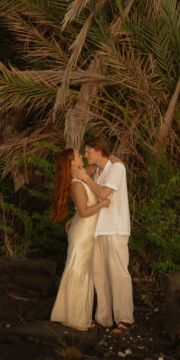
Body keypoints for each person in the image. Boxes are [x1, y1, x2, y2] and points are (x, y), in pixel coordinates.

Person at [49, 147, 110, 331]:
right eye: (77, 155)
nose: (82, 156)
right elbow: (84, 212)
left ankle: (71, 316)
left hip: (84, 230)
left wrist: (108, 157)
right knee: (79, 272)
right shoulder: (76, 183)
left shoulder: (79, 178)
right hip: (83, 233)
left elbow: (92, 168)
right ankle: (75, 319)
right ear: (72, 163)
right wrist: (103, 204)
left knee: (80, 271)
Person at [78, 137, 134, 332]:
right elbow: (93, 199)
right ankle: (103, 318)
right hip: (99, 228)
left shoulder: (116, 168)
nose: (86, 155)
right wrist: (75, 218)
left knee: (118, 273)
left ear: (99, 150)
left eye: (88, 151)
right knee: (99, 275)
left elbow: (104, 194)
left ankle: (124, 319)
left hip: (116, 228)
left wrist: (85, 178)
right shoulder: (98, 172)